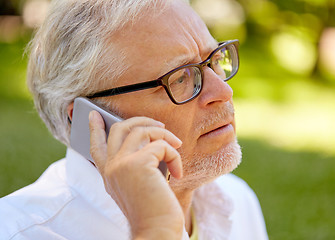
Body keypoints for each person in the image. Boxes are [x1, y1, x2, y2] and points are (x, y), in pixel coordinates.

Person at [0, 0, 268, 239]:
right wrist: (155, 229)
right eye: (180, 77)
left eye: (214, 60)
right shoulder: (19, 231)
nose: (223, 91)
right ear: (92, 121)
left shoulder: (233, 199)